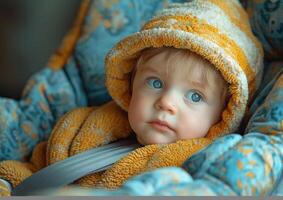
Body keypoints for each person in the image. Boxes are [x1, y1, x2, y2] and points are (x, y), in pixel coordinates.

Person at [0, 0, 263, 196]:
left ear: (223, 114)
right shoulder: (82, 128)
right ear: (132, 83)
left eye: (195, 96)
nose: (166, 103)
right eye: (155, 82)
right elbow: (30, 172)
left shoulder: (205, 164)